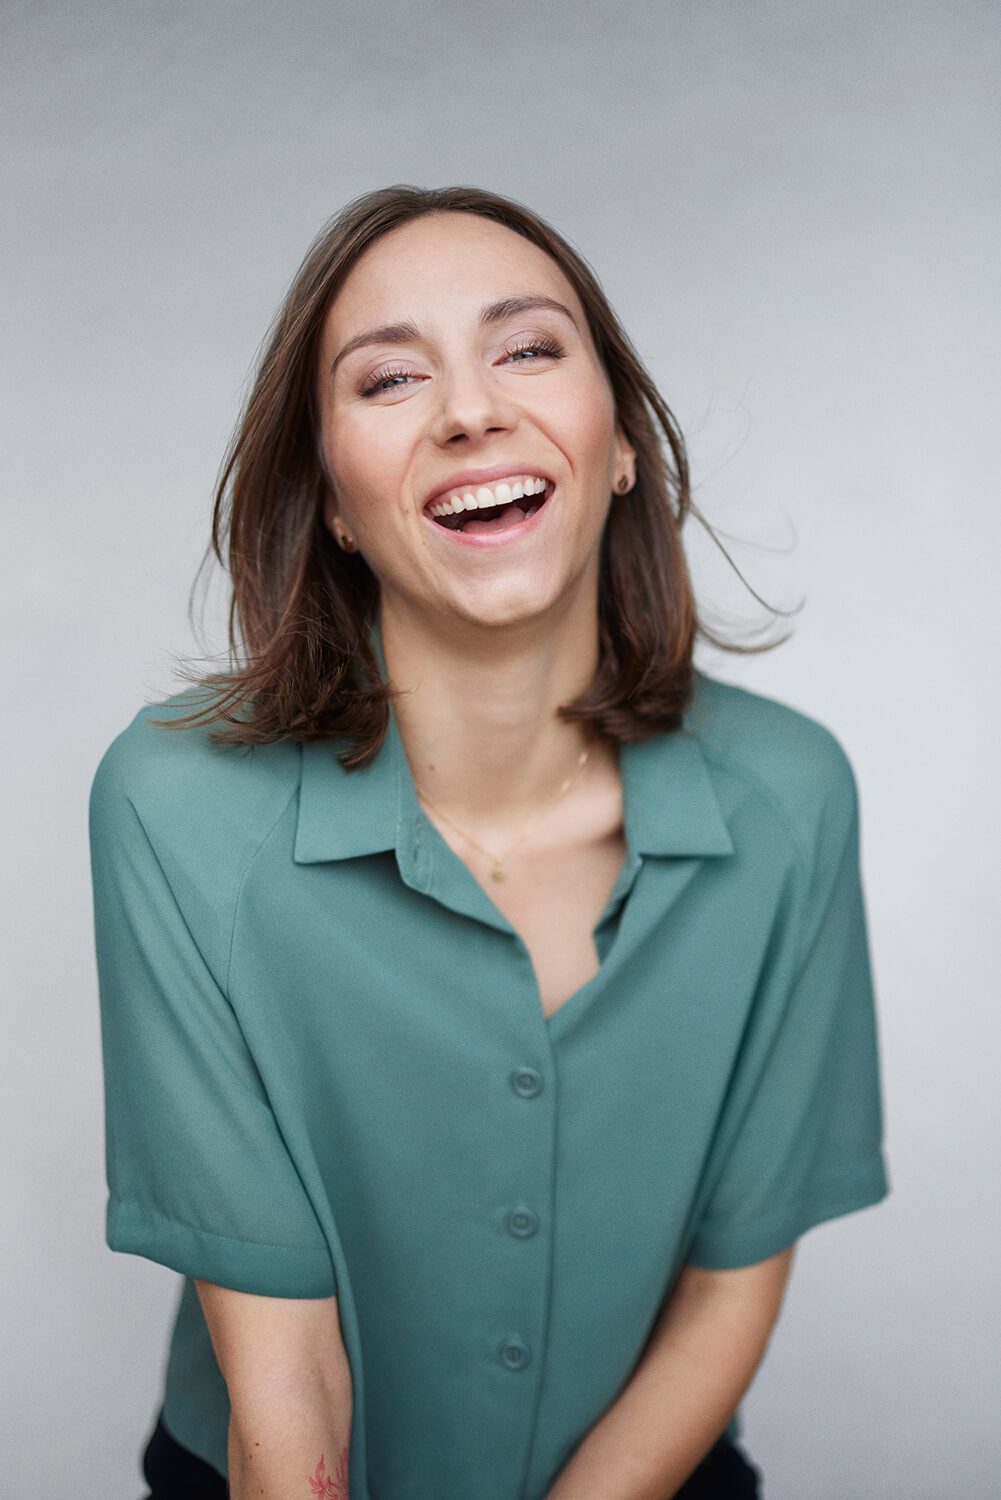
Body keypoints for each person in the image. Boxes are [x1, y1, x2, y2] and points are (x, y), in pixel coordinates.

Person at [89, 183, 891, 1500]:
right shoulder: (173, 803)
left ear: (618, 443)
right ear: (334, 505)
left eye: (527, 349)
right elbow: (283, 1387)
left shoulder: (787, 796)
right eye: (390, 378)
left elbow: (728, 1292)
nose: (470, 410)